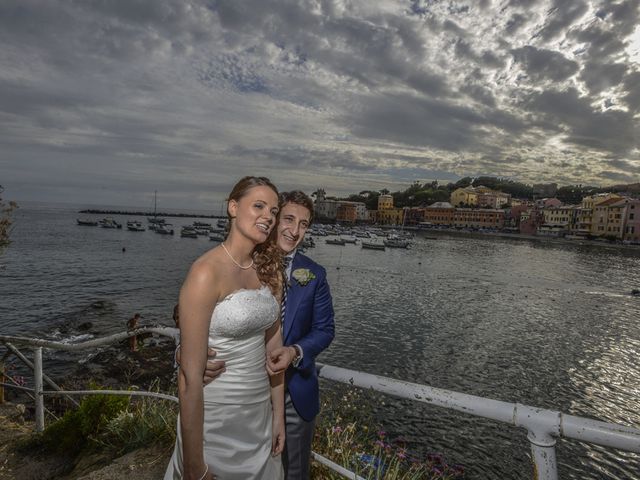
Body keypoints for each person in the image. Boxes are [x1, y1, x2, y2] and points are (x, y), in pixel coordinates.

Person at [164, 176, 286, 480]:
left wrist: (278, 418)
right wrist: (194, 466)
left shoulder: (271, 272)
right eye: (259, 205)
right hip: (216, 418)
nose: (268, 217)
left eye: (273, 211)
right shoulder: (206, 272)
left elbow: (274, 353)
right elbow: (190, 379)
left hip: (258, 417)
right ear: (233, 207)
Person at [266, 190, 335, 480]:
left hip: (295, 392)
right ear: (275, 219)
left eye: (303, 224)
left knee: (294, 472)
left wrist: (295, 351)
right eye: (289, 219)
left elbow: (325, 329)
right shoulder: (245, 263)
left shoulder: (314, 273)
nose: (295, 231)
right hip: (247, 386)